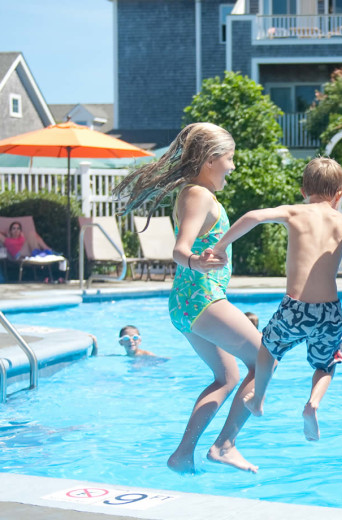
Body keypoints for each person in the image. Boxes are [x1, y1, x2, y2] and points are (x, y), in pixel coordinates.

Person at [112, 122, 262, 474]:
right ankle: (225, 446)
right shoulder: (199, 195)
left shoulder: (193, 193)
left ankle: (182, 455)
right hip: (201, 297)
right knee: (265, 359)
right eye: (230, 158)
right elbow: (180, 249)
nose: (233, 166)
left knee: (227, 377)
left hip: (189, 302)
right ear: (211, 160)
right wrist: (196, 260)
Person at [212, 157, 342, 442]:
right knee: (327, 363)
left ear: (304, 190)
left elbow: (252, 216)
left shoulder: (294, 212)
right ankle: (313, 403)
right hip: (330, 312)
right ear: (339, 194)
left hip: (295, 308)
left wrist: (221, 246)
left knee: (267, 349)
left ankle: (259, 399)